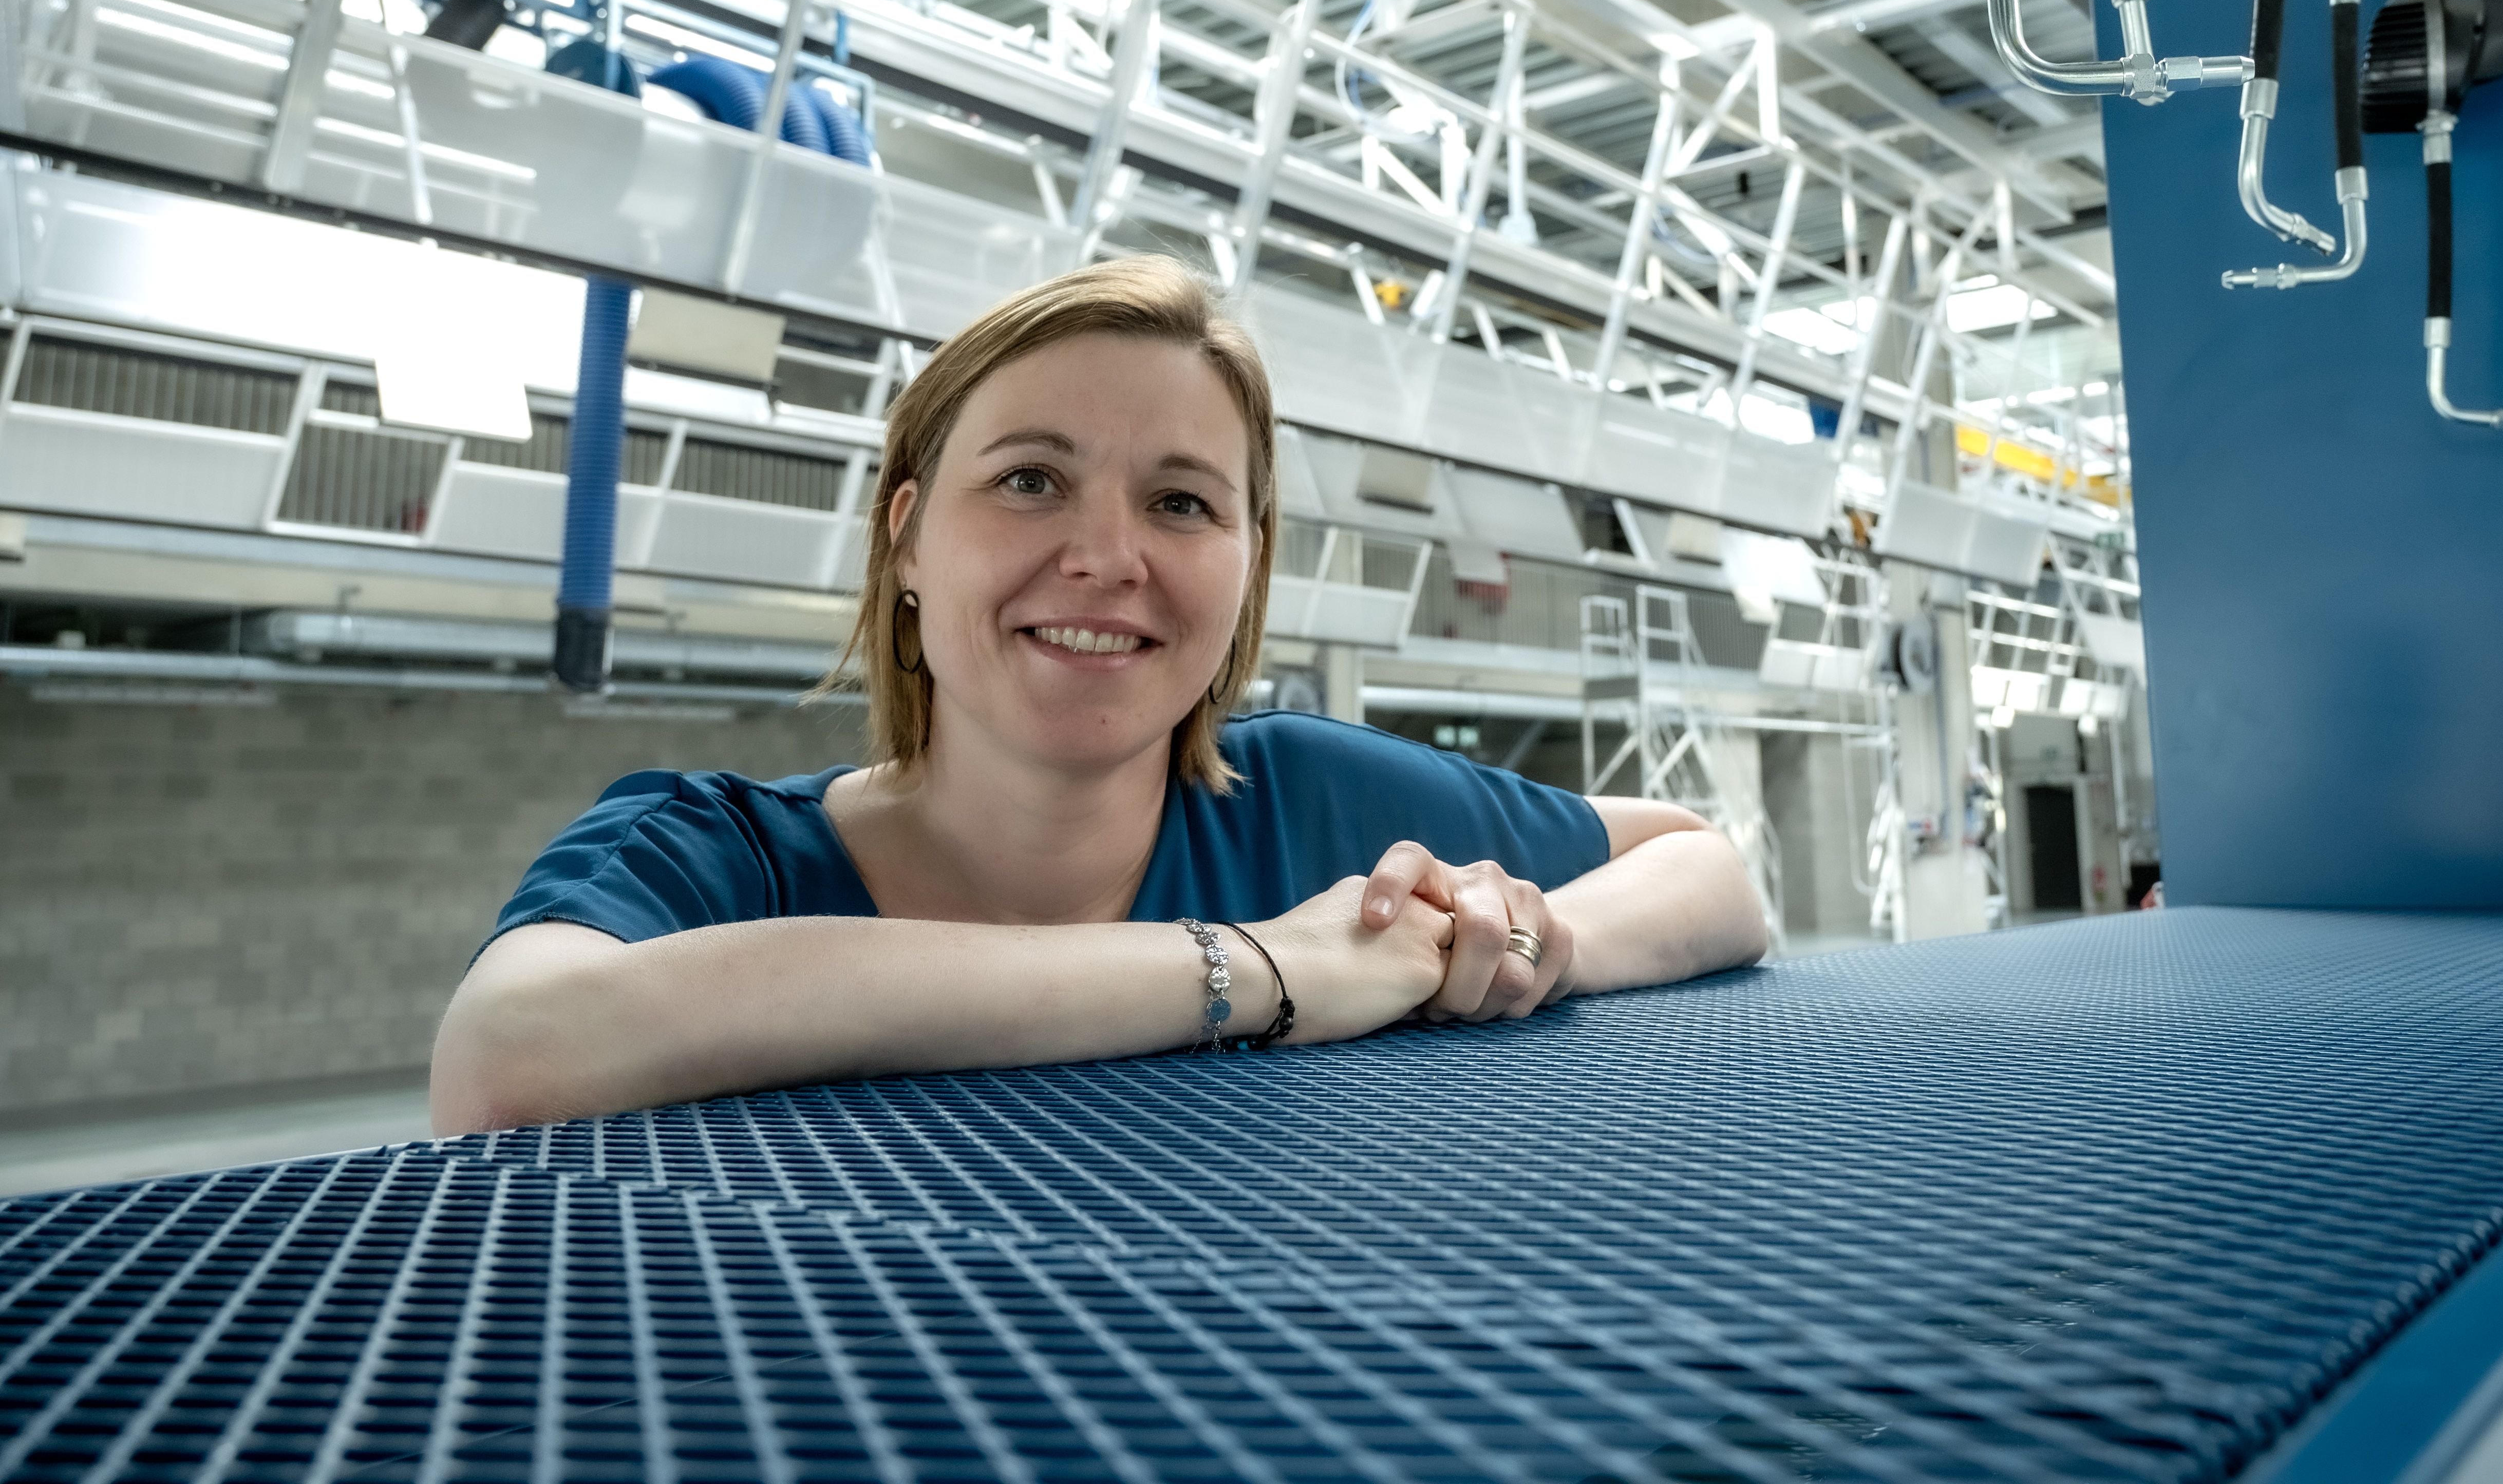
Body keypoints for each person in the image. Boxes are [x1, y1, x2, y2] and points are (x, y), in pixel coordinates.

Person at [431, 256, 1771, 1133]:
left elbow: (1709, 870)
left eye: (1182, 503)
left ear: (1247, 568)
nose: (1107, 558)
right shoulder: (707, 854)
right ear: (905, 535)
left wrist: (1531, 936)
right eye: (1030, 479)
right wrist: (1257, 970)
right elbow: (511, 1057)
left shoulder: (1318, 805)